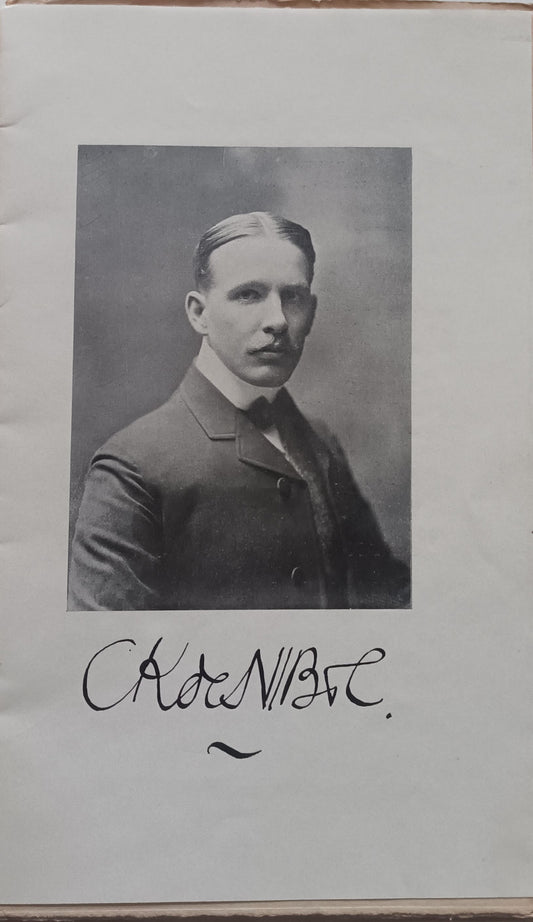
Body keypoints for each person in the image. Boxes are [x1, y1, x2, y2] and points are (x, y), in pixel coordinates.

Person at [68, 211, 410, 611]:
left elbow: (387, 593)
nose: (278, 320)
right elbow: (108, 641)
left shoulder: (319, 442)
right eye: (248, 295)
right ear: (199, 314)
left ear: (312, 312)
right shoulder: (130, 469)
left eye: (293, 297)